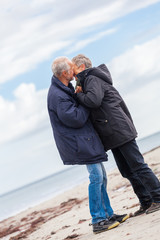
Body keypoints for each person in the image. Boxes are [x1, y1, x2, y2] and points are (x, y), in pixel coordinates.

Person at [47, 57, 128, 234]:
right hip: (79, 142)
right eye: (71, 68)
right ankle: (98, 220)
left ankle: (108, 214)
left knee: (101, 176)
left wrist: (77, 95)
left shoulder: (64, 88)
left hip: (85, 139)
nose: (74, 71)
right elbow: (75, 118)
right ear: (64, 73)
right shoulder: (58, 95)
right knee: (96, 177)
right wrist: (82, 98)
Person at [72, 54, 160, 216]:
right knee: (127, 170)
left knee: (138, 166)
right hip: (113, 132)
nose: (72, 74)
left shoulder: (92, 78)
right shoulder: (89, 79)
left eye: (74, 69)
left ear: (82, 67)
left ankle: (158, 197)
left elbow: (93, 101)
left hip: (118, 129)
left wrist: (78, 93)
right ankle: (146, 201)